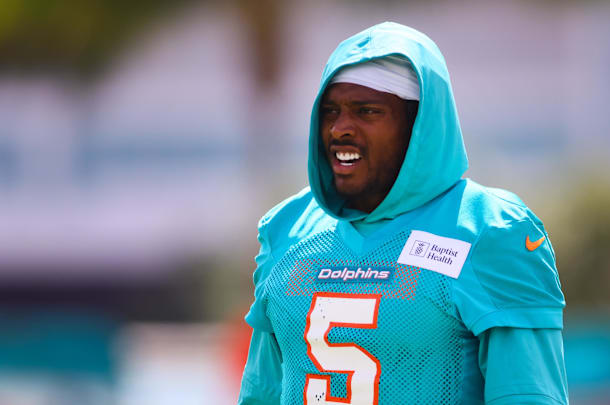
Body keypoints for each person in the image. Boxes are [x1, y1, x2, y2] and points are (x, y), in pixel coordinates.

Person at [238, 22, 568, 405]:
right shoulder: (288, 229)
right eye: (331, 111)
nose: (341, 128)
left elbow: (528, 396)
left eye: (367, 111)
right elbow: (260, 394)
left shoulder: (491, 230)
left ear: (418, 127)